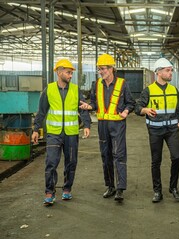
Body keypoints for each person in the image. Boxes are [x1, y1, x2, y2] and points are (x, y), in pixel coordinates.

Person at [32, 59, 91, 206]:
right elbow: (41, 111)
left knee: (71, 163)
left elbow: (83, 108)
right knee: (51, 162)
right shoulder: (49, 90)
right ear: (59, 72)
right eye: (68, 72)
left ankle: (67, 189)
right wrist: (35, 129)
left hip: (71, 133)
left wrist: (87, 125)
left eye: (71, 73)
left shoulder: (76, 90)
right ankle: (49, 192)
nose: (71, 75)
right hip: (54, 134)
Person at [80, 53, 135, 202]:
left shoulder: (122, 84)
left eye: (103, 69)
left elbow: (131, 103)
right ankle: (110, 186)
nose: (101, 72)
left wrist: (126, 111)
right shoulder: (96, 84)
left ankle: (120, 188)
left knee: (119, 155)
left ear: (111, 69)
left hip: (117, 125)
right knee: (106, 156)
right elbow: (94, 103)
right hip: (103, 126)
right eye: (99, 69)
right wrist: (88, 106)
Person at [135, 58, 179, 203]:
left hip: (172, 130)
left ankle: (173, 187)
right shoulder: (148, 90)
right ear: (158, 72)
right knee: (156, 161)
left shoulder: (174, 90)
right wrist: (145, 109)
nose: (170, 73)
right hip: (155, 131)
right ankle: (157, 191)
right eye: (168, 70)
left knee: (176, 158)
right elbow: (137, 109)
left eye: (171, 70)